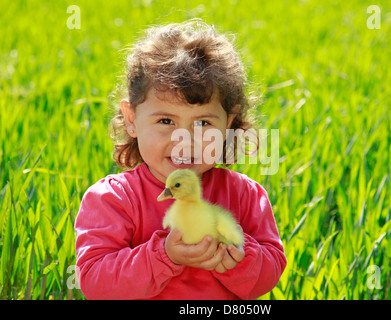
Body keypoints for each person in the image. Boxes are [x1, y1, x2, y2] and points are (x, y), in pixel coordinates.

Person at [74, 19, 286, 300]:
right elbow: (95, 282)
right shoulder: (114, 199)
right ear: (131, 120)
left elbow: (270, 271)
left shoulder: (245, 195)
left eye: (203, 124)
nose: (184, 139)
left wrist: (236, 254)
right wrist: (164, 256)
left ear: (228, 124)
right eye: (166, 120)